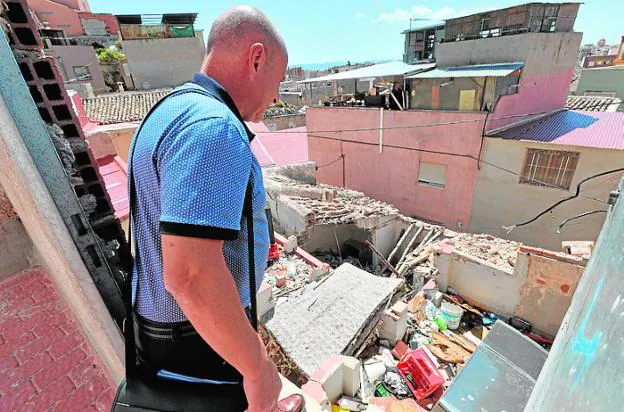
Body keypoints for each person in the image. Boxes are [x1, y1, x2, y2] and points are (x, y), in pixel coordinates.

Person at [128, 6, 302, 412]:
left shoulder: (169, 109)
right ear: (256, 58)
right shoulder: (214, 127)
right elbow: (191, 275)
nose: (277, 96)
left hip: (170, 330)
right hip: (196, 338)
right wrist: (259, 370)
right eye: (278, 80)